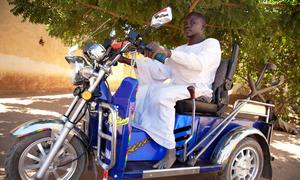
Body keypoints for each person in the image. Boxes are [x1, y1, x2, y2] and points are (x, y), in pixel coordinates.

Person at [118, 12, 221, 169]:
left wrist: (168, 52)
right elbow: (162, 70)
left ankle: (170, 149)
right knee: (144, 91)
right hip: (177, 86)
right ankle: (140, 137)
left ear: (203, 26)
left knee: (161, 96)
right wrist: (127, 60)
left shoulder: (211, 44)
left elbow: (199, 64)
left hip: (197, 88)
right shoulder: (181, 48)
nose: (187, 24)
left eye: (193, 22)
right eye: (185, 22)